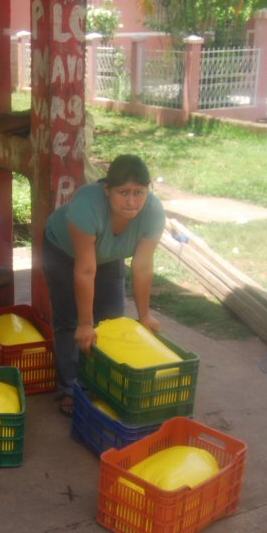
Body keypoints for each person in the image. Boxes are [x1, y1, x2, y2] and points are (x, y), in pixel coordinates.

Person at [41, 154, 165, 415]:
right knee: (71, 322)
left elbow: (142, 266)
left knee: (111, 322)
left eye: (139, 192)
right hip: (64, 253)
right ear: (107, 190)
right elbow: (85, 271)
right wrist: (85, 323)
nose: (131, 201)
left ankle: (103, 385)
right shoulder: (86, 206)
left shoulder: (153, 212)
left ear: (148, 190)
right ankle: (70, 389)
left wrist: (144, 316)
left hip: (109, 256)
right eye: (123, 192)